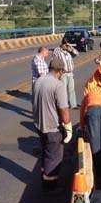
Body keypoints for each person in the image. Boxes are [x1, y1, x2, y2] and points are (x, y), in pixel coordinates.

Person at [33, 57, 73, 192]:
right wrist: (68, 126)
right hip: (52, 128)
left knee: (45, 153)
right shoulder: (58, 85)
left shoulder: (38, 81)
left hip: (39, 125)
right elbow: (63, 109)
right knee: (54, 158)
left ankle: (44, 178)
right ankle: (50, 187)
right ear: (60, 71)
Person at [52, 37, 79, 109]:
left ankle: (73, 105)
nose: (66, 47)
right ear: (62, 44)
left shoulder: (68, 51)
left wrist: (71, 47)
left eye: (67, 45)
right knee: (63, 90)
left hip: (70, 73)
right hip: (63, 73)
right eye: (65, 45)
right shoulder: (57, 50)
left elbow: (77, 53)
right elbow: (54, 61)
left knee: (71, 89)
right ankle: (63, 105)